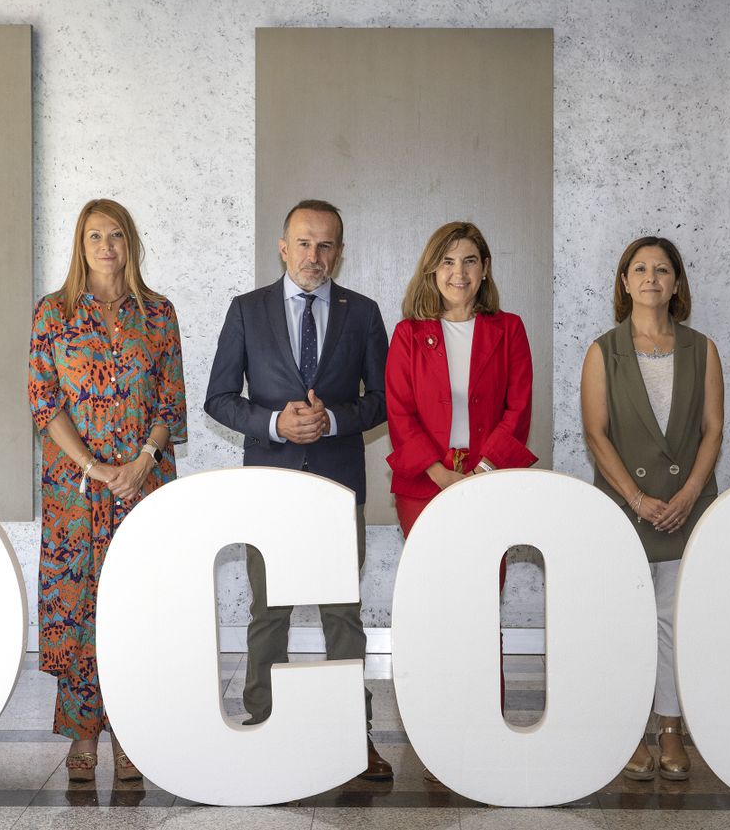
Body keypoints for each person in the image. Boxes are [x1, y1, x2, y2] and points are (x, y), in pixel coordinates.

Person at [204, 199, 393, 781]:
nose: (315, 255)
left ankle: (351, 736)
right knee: (269, 613)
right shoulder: (246, 311)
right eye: (304, 244)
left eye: (327, 245)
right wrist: (273, 424)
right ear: (283, 248)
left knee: (343, 614)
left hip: (338, 485)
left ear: (340, 251)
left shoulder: (362, 313)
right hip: (271, 487)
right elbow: (218, 398)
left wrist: (334, 420)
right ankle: (263, 725)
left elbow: (385, 399)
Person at [28, 199, 184, 784]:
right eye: (94, 235)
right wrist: (94, 467)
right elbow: (45, 404)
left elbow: (169, 402)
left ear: (130, 243)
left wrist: (142, 461)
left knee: (138, 605)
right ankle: (83, 730)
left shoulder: (159, 314)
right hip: (76, 488)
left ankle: (132, 730)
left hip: (145, 484)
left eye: (115, 234)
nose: (105, 245)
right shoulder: (53, 313)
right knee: (81, 606)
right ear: (80, 244)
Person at [580, 236, 723, 782]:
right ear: (624, 282)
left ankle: (670, 726)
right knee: (626, 620)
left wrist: (688, 494)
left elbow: (713, 428)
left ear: (677, 283)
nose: (650, 278)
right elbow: (596, 435)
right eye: (639, 268)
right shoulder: (602, 351)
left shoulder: (701, 348)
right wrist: (637, 498)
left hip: (687, 505)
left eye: (662, 269)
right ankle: (628, 728)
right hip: (625, 504)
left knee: (673, 620)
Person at [386, 221, 536, 530]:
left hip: (491, 477)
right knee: (429, 575)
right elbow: (400, 412)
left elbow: (518, 409)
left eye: (469, 261)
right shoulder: (407, 334)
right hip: (424, 482)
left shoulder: (510, 330)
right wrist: (441, 475)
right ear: (433, 270)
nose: (459, 273)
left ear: (484, 268)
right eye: (448, 262)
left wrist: (479, 472)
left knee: (487, 574)